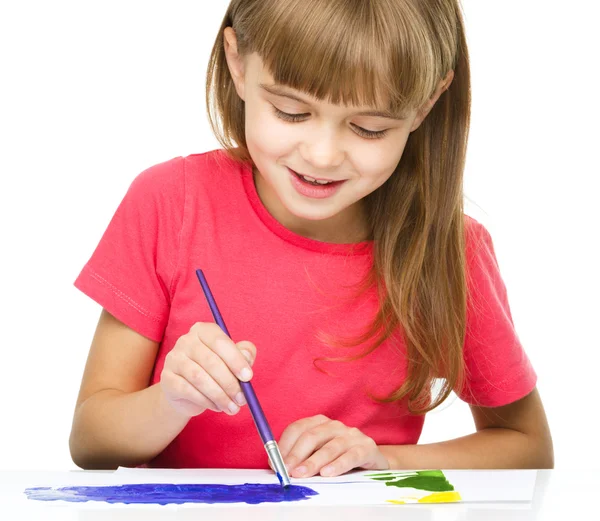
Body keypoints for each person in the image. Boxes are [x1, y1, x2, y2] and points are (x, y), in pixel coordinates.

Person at [69, 0, 553, 476]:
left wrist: (385, 461)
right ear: (237, 63)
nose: (322, 156)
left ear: (425, 105)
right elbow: (91, 442)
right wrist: (172, 400)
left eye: (369, 128)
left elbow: (527, 447)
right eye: (291, 112)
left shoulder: (449, 250)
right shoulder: (171, 202)